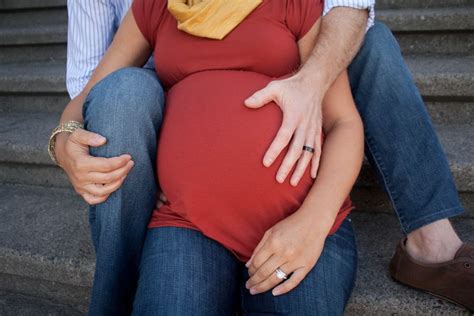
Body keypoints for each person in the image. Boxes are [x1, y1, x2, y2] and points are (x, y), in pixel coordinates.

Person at [57, 0, 474, 314]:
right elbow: (89, 95)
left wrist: (312, 222)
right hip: (187, 222)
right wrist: (62, 140)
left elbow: (345, 123)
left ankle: (429, 240)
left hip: (299, 220)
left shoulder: (296, 4)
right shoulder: (154, 7)